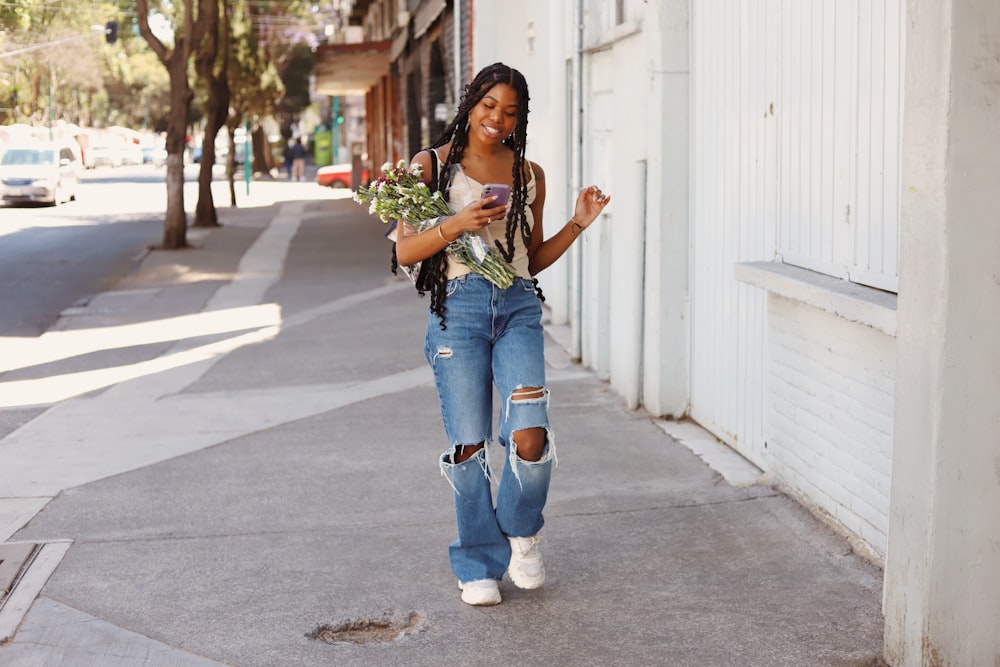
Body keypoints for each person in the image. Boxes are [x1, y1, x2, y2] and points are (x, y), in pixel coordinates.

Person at [396, 62, 611, 606]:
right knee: (468, 446)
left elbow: (531, 260)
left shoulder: (527, 172)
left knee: (529, 436)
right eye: (490, 105)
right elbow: (402, 251)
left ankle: (522, 531)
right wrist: (455, 224)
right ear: (471, 103)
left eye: (510, 111)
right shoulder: (428, 166)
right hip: (458, 311)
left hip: (517, 306)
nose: (498, 118)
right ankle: (477, 565)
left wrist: (579, 221)